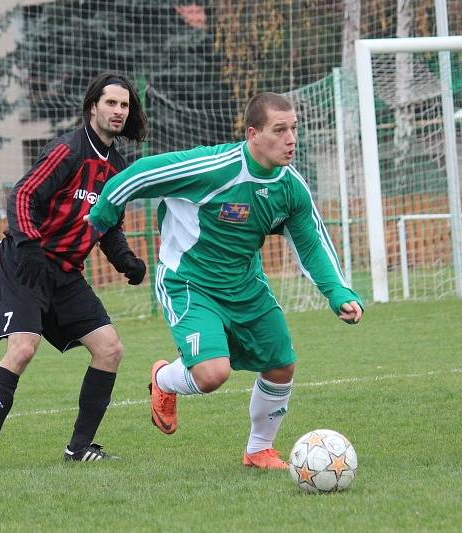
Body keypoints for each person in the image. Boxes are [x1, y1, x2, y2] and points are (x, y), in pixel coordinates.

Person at [86, 92, 363, 469]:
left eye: (294, 129)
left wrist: (337, 292)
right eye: (279, 130)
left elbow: (311, 243)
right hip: (189, 283)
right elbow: (140, 173)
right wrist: (102, 215)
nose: (291, 139)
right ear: (253, 134)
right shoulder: (213, 166)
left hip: (246, 285)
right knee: (213, 373)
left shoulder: (291, 187)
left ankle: (258, 450)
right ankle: (165, 379)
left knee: (282, 363)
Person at [0, 72, 149, 470]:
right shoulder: (68, 150)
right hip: (26, 263)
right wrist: (28, 243)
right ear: (92, 107)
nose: (118, 111)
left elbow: (107, 225)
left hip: (66, 272)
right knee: (23, 348)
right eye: (111, 103)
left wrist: (126, 262)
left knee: (110, 349)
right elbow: (24, 194)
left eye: (124, 105)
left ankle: (79, 447)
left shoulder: (117, 167)